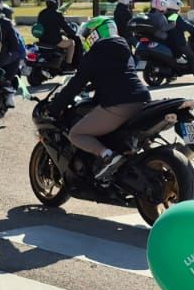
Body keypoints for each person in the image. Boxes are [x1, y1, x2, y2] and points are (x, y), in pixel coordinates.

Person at [46, 15, 151, 181]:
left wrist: (54, 108)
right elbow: (113, 75)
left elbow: (76, 84)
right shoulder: (124, 48)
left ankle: (107, 156)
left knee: (76, 134)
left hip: (118, 104)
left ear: (95, 33)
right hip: (142, 100)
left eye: (88, 33)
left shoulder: (96, 52)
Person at [35, 0, 78, 69]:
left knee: (64, 38)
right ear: (56, 3)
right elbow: (66, 28)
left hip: (42, 41)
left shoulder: (41, 13)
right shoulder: (57, 14)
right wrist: (74, 33)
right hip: (55, 41)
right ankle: (68, 64)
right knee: (72, 43)